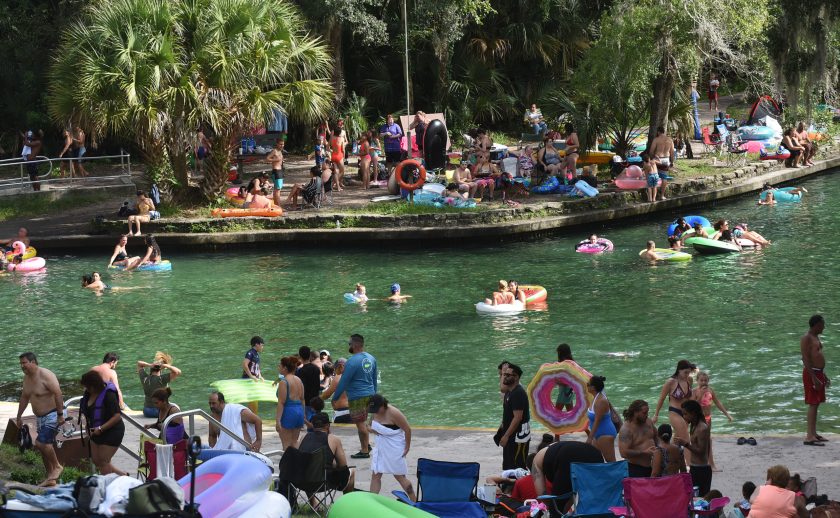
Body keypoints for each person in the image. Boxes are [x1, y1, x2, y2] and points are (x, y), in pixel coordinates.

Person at [16, 353, 65, 486]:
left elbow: (58, 393)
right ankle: (50, 479)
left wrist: (60, 415)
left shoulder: (46, 375)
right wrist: (19, 416)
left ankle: (57, 467)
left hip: (54, 413)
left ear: (33, 362)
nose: (22, 366)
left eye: (24, 363)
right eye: (20, 363)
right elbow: (24, 398)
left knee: (41, 443)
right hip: (40, 417)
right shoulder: (27, 378)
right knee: (42, 448)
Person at [331, 334, 377, 458]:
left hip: (357, 397)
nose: (349, 346)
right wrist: (375, 396)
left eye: (350, 344)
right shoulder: (371, 358)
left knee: (360, 424)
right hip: (370, 394)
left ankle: (364, 450)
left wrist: (334, 398)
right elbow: (374, 380)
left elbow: (343, 382)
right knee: (364, 422)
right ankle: (366, 445)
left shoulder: (351, 362)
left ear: (355, 345)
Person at [532, 441, 604, 515]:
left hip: (567, 454)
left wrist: (554, 510)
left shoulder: (536, 461)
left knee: (557, 504)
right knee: (597, 500)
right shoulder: (555, 448)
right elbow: (572, 493)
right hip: (595, 453)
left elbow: (542, 495)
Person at [368, 395, 416, 501]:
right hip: (381, 446)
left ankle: (415, 501)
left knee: (399, 476)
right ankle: (371, 501)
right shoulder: (374, 412)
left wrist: (407, 447)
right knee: (375, 474)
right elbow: (371, 426)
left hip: (395, 446)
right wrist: (372, 430)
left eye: (376, 409)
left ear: (383, 405)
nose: (374, 412)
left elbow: (407, 429)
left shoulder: (394, 413)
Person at [80, 370, 126, 475]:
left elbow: (117, 416)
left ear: (93, 385)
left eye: (87, 386)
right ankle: (123, 476)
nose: (85, 389)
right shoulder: (88, 394)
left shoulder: (109, 394)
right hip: (95, 431)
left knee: (103, 461)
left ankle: (108, 486)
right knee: (97, 461)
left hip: (111, 431)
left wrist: (101, 428)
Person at [297, 412, 355, 494]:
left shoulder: (303, 437)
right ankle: (347, 503)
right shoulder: (333, 439)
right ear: (327, 425)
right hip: (324, 483)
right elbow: (343, 465)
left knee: (309, 468)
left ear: (313, 425)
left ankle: (313, 504)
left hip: (301, 482)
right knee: (352, 471)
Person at [653, 359, 695, 456]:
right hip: (674, 412)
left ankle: (667, 456)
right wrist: (656, 415)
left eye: (689, 372)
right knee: (686, 440)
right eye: (685, 372)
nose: (687, 375)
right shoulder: (671, 382)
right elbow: (661, 398)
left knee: (677, 440)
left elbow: (689, 397)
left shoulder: (689, 380)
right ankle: (690, 467)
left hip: (686, 414)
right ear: (679, 370)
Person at [692, 371, 732, 471]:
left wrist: (727, 414)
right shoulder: (695, 391)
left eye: (706, 380)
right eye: (701, 380)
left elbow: (717, 403)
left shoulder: (710, 390)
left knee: (708, 440)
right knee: (697, 441)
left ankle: (712, 465)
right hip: (698, 419)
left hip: (708, 418)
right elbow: (692, 406)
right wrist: (701, 395)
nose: (704, 382)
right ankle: (696, 463)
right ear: (697, 381)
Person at [801, 314, 829, 445]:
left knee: (817, 403)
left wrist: (824, 376)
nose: (824, 327)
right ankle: (809, 436)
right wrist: (813, 378)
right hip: (811, 374)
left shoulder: (815, 337)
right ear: (817, 325)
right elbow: (805, 359)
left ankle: (814, 433)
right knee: (813, 403)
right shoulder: (806, 338)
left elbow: (818, 356)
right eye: (822, 325)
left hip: (819, 373)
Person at [497, 363, 531, 470]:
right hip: (511, 435)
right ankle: (508, 485)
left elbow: (517, 417)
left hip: (517, 437)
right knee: (508, 464)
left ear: (516, 377)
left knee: (517, 465)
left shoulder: (518, 393)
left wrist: (506, 436)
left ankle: (516, 486)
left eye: (507, 375)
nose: (504, 377)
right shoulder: (509, 391)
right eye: (504, 374)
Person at [676, 399, 711, 496]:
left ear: (693, 413)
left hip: (701, 469)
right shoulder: (693, 425)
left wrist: (686, 444)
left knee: (701, 498)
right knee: (693, 497)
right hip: (695, 467)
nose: (684, 417)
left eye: (686, 414)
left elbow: (701, 451)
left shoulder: (702, 428)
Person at [618, 399, 658, 477]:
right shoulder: (626, 429)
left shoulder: (648, 422)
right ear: (635, 412)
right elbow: (623, 453)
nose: (647, 415)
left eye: (647, 412)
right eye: (644, 413)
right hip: (636, 469)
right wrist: (644, 452)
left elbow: (656, 437)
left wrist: (661, 449)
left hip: (652, 467)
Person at [137, 352, 181, 418]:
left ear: (151, 369)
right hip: (160, 412)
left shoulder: (144, 378)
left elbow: (139, 363)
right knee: (176, 407)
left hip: (147, 411)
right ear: (160, 370)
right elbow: (178, 372)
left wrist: (150, 365)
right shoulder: (162, 379)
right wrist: (166, 366)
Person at [275, 356, 304, 450]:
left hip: (289, 412)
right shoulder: (299, 380)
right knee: (294, 441)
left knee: (286, 444)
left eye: (280, 366)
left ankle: (288, 464)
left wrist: (278, 421)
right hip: (299, 411)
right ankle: (297, 463)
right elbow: (303, 399)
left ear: (285, 368)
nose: (278, 367)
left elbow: (281, 403)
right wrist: (303, 416)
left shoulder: (284, 382)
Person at [585, 375, 616, 462]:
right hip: (597, 434)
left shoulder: (600, 400)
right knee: (595, 459)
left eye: (588, 384)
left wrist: (589, 438)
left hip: (605, 433)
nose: (586, 385)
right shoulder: (596, 397)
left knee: (610, 461)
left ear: (593, 387)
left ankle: (620, 476)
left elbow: (597, 421)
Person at [297, 346, 322, 423]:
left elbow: (301, 388)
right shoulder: (316, 369)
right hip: (316, 400)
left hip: (306, 401)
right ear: (310, 356)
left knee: (309, 422)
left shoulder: (300, 371)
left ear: (300, 356)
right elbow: (318, 385)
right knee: (317, 422)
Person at [321, 358, 351, 423]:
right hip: (354, 411)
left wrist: (318, 398)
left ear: (339, 367)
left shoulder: (338, 377)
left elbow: (326, 395)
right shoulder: (353, 376)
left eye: (335, 369)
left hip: (342, 412)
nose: (334, 371)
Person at [649, 126, 674, 200]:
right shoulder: (670, 140)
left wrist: (652, 158)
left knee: (655, 176)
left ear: (658, 132)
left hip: (657, 159)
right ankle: (662, 195)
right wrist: (672, 162)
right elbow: (672, 153)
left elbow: (651, 151)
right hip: (666, 160)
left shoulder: (656, 139)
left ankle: (653, 197)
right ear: (664, 132)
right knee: (664, 178)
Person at [266, 139, 285, 206]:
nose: (282, 145)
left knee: (276, 189)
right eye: (280, 144)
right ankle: (279, 206)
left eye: (283, 144)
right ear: (277, 144)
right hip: (276, 171)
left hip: (280, 171)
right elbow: (267, 158)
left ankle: (275, 205)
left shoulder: (280, 151)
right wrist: (275, 160)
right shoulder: (274, 151)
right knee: (278, 190)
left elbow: (280, 160)